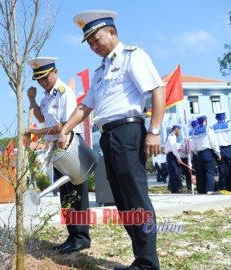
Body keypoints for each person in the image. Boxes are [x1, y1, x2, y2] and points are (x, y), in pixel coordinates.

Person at [58, 10, 165, 270]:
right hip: (108, 137)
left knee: (136, 198)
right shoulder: (100, 71)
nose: (94, 46)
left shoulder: (132, 56)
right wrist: (65, 130)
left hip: (129, 133)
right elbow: (86, 106)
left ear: (112, 33)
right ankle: (141, 260)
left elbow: (157, 88)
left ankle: (148, 264)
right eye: (91, 43)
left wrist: (155, 130)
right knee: (123, 201)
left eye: (97, 39)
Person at [25, 57, 91, 254]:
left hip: (71, 145)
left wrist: (37, 133)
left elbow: (65, 124)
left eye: (45, 77)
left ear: (55, 72)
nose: (43, 82)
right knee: (66, 196)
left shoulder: (64, 93)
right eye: (39, 79)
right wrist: (32, 100)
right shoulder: (46, 96)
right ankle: (71, 236)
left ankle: (81, 238)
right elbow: (41, 118)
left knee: (77, 195)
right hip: (56, 149)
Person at [191, 115, 220, 194]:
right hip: (208, 152)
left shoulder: (194, 131)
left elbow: (193, 146)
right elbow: (213, 142)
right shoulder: (208, 129)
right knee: (209, 173)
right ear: (205, 120)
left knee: (201, 173)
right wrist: (218, 153)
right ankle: (210, 190)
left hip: (199, 154)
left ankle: (202, 190)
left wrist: (196, 153)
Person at [213, 111, 231, 191]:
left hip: (220, 150)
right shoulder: (229, 125)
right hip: (229, 148)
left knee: (221, 170)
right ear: (225, 117)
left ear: (216, 118)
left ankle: (223, 188)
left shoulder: (214, 127)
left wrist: (217, 153)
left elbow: (214, 142)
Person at [165, 125, 184, 193]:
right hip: (172, 155)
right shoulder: (172, 136)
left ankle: (173, 188)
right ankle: (174, 189)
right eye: (179, 130)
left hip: (171, 155)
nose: (180, 131)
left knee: (174, 173)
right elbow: (174, 148)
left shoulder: (172, 136)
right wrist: (178, 157)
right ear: (176, 129)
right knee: (174, 173)